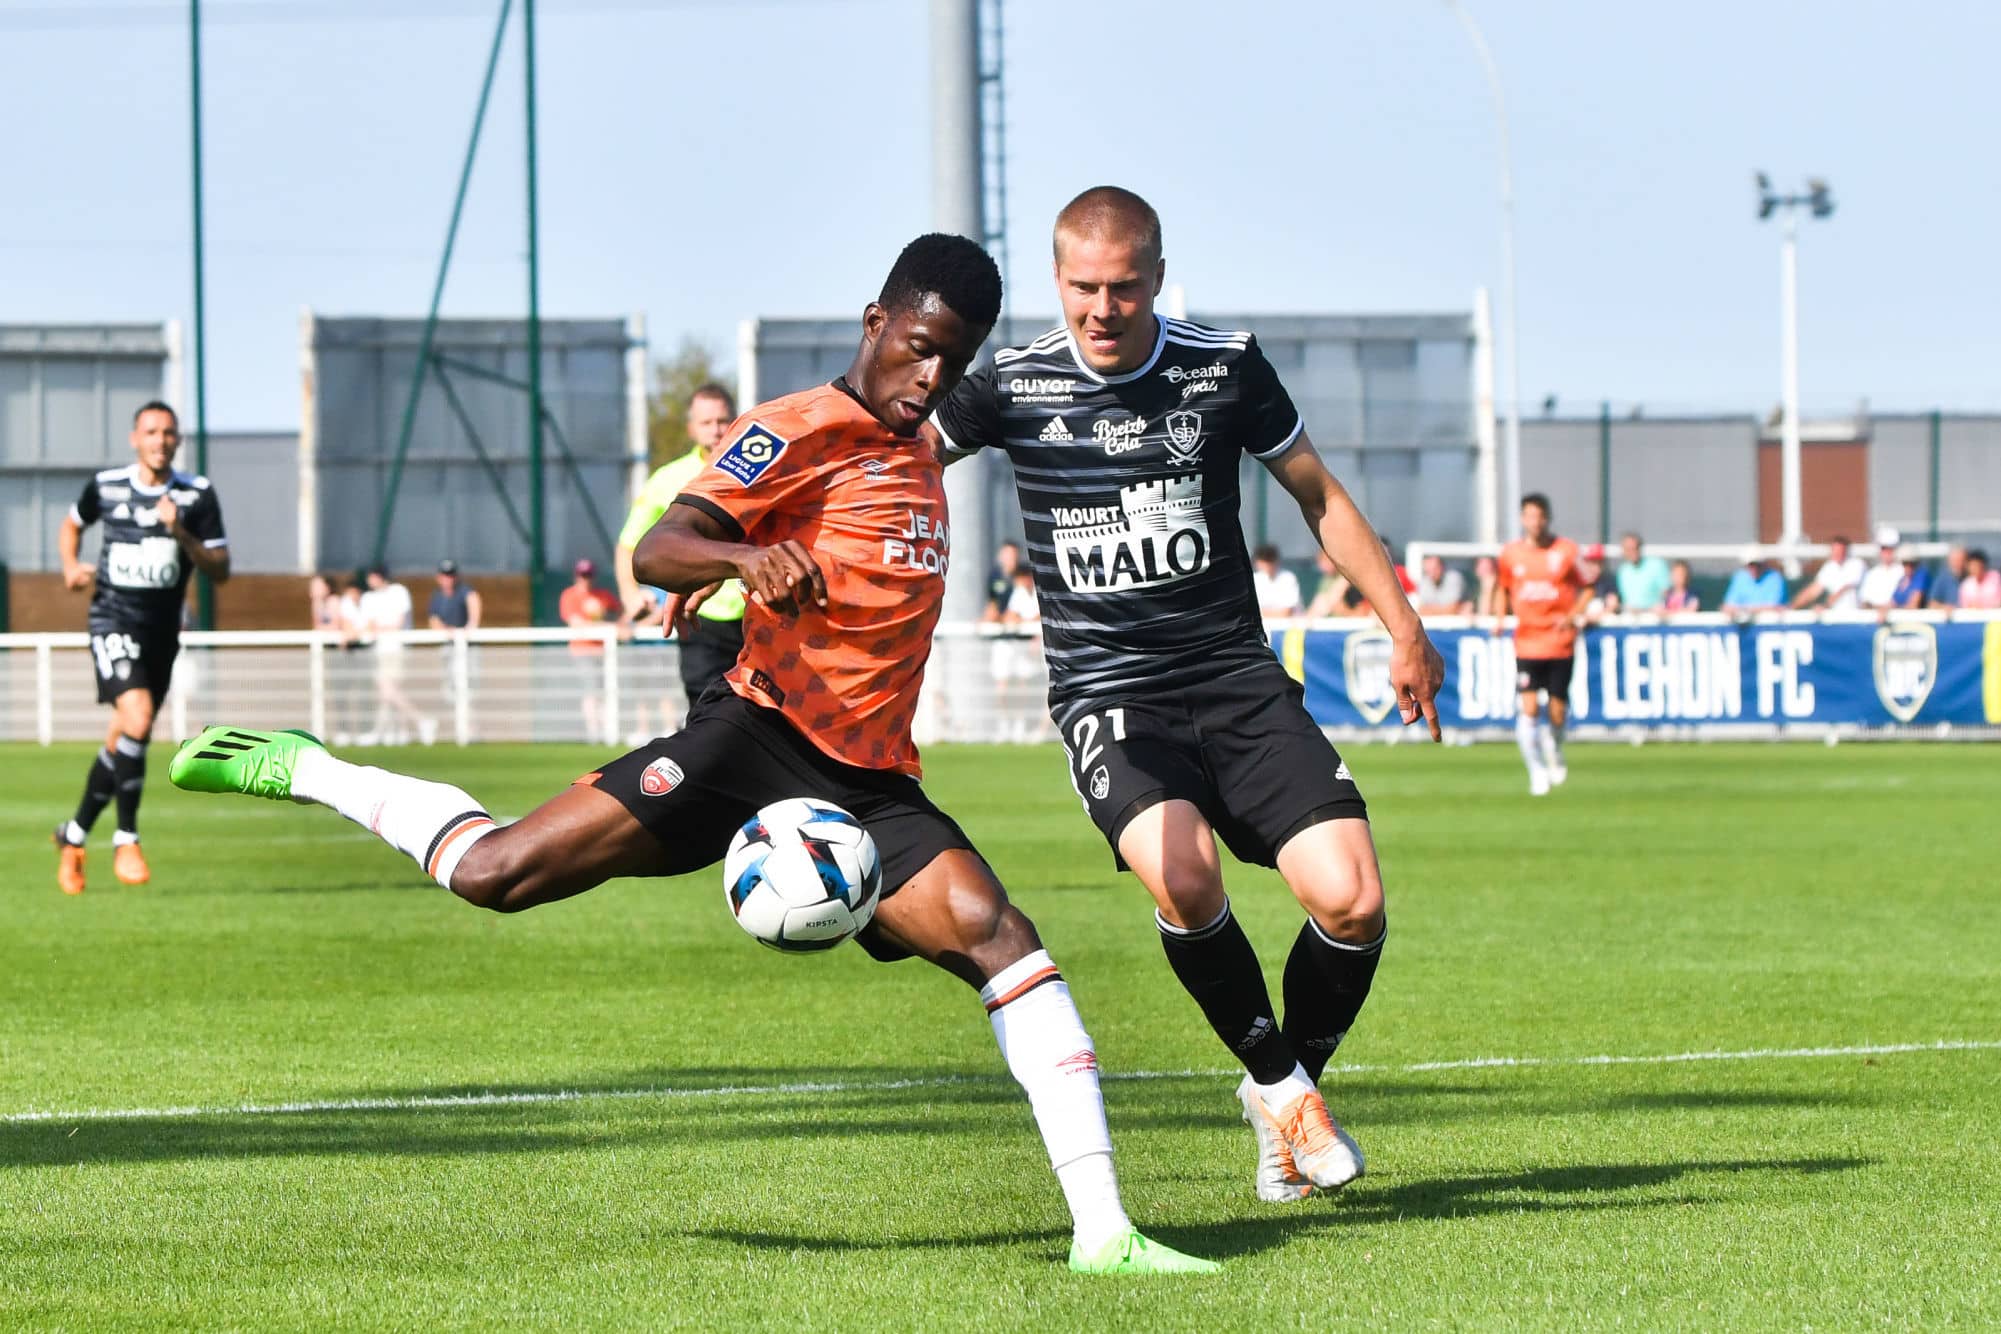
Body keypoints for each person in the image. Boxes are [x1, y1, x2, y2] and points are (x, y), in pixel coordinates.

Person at [167, 235, 1210, 1276]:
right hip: (750, 739)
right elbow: (658, 548)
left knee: (1006, 943)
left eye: (955, 358)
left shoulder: (919, 450)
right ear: (876, 323)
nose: (931, 376)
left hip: (871, 780)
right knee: (495, 872)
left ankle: (1105, 1231)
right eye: (920, 347)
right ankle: (315, 769)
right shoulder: (797, 428)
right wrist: (743, 555)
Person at [932, 186, 1445, 1206]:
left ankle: (1284, 1091)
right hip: (1109, 691)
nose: (1103, 308)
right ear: (1057, 280)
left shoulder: (1221, 364)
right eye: (1083, 287)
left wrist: (1404, 625)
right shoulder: (1011, 385)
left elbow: (1318, 494)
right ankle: (1284, 1091)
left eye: (1124, 287)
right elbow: (887, 457)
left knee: (1354, 899)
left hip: (1234, 677)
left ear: (1158, 278)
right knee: (1185, 875)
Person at [51, 400, 230, 893]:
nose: (160, 440)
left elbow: (220, 568)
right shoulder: (107, 485)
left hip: (160, 635)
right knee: (139, 717)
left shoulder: (197, 495)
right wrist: (70, 565)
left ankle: (72, 836)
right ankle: (125, 839)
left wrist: (180, 531)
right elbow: (72, 524)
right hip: (111, 619)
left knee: (125, 738)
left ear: (177, 440)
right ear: (135, 438)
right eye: (151, 431)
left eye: (168, 432)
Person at [614, 384, 749, 708]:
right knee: (707, 714)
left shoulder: (757, 468)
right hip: (700, 618)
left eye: (722, 420)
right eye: (706, 422)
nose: (716, 429)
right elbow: (629, 545)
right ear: (691, 428)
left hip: (759, 614)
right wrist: (631, 597)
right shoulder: (667, 479)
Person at [1485, 493, 1588, 796]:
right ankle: (1536, 771)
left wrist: (1572, 615)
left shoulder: (1567, 551)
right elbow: (1503, 588)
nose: (1535, 522)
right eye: (1529, 516)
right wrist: (1499, 619)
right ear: (1522, 519)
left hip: (1559, 643)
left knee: (1557, 711)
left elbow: (1590, 585)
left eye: (1540, 516)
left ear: (1548, 518)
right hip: (1528, 643)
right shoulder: (1510, 554)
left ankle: (1554, 747)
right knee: (1528, 708)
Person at [359, 565, 434, 745]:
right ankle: (402, 729)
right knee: (387, 693)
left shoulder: (398, 592)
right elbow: (370, 624)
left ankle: (417, 722)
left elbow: (399, 622)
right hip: (379, 649)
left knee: (389, 691)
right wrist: (380, 629)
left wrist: (381, 629)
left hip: (396, 648)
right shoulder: (368, 598)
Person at [559, 559, 619, 740]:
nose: (586, 579)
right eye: (582, 575)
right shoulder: (569, 595)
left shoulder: (603, 595)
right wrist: (607, 626)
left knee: (605, 691)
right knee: (591, 691)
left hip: (605, 652)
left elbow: (620, 613)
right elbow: (576, 623)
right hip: (582, 651)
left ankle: (604, 729)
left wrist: (613, 625)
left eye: (588, 575)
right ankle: (594, 731)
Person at [1789, 535, 1863, 612]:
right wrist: (1791, 607)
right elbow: (1813, 591)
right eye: (1835, 550)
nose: (1837, 553)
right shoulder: (1829, 567)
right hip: (1836, 616)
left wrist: (1825, 605)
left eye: (1840, 550)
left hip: (1855, 614)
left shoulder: (1856, 564)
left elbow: (1844, 589)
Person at [1613, 533, 1670, 613]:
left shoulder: (1656, 564)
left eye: (1634, 548)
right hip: (1629, 617)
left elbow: (1667, 592)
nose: (1631, 552)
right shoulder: (1623, 570)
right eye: (1627, 549)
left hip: (1654, 617)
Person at [1720, 548, 1786, 614]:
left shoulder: (1775, 577)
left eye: (1758, 565)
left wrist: (1742, 610)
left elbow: (1773, 607)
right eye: (1751, 565)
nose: (1754, 569)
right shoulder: (1740, 577)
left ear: (1764, 564)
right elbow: (1727, 607)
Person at [427, 559, 482, 632]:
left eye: (451, 575)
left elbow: (473, 604)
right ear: (438, 577)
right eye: (445, 575)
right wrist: (447, 631)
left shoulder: (465, 591)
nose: (448, 578)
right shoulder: (436, 596)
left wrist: (466, 631)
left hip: (466, 640)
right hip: (447, 640)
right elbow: (433, 620)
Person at [1858, 529, 1906, 612]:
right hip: (1874, 620)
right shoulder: (1872, 574)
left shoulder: (1904, 572)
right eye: (1884, 549)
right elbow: (1864, 601)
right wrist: (1880, 609)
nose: (1887, 552)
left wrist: (1887, 609)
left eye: (1890, 549)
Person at [1252, 544, 1303, 617]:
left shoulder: (1288, 578)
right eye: (1264, 561)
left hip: (1289, 626)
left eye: (1270, 561)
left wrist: (1263, 614)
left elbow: (1287, 612)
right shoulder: (1255, 579)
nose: (1267, 565)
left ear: (1276, 561)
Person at [984, 539, 1024, 623]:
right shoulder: (995, 577)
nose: (1010, 559)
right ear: (1001, 556)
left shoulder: (1025, 577)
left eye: (1013, 555)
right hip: (1003, 621)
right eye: (1007, 555)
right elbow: (992, 602)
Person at [1304, 550, 1353, 618]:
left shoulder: (1346, 577)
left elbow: (1332, 601)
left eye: (1326, 561)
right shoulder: (1325, 580)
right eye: (1322, 562)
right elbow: (1318, 602)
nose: (1324, 565)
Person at [1927, 544, 1968, 611]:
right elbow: (1931, 603)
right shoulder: (1942, 579)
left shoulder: (1972, 578)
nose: (1958, 564)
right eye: (1955, 560)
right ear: (1949, 561)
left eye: (1960, 560)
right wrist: (1945, 607)